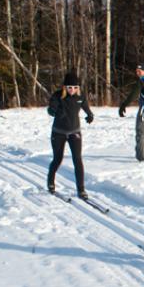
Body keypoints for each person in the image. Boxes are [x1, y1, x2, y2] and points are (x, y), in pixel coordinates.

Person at [46, 70, 95, 198]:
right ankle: (51, 182)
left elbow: (86, 108)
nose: (72, 90)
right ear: (65, 87)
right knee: (58, 159)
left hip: (74, 132)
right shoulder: (57, 96)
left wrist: (90, 115)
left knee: (77, 160)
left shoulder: (80, 97)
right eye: (69, 87)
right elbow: (50, 110)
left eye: (75, 87)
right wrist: (54, 111)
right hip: (58, 133)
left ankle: (81, 189)